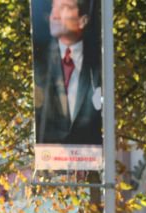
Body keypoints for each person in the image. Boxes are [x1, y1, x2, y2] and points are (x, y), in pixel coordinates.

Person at [32, 0, 102, 146]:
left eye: (64, 8)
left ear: (83, 21)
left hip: (88, 155)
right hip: (52, 156)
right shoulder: (39, 62)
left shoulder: (98, 63)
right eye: (53, 9)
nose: (54, 16)